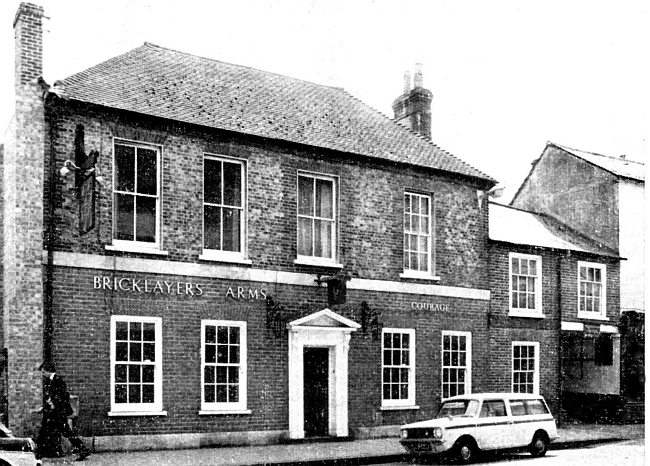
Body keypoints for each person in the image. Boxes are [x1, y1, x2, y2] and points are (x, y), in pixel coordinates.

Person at [34, 362, 90, 462]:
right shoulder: (50, 380)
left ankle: (38, 453)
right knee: (49, 431)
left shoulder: (58, 380)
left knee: (55, 432)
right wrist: (44, 407)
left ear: (49, 371)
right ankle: (83, 450)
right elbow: (51, 398)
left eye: (43, 372)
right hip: (54, 412)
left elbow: (64, 395)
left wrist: (54, 404)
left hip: (58, 413)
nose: (43, 374)